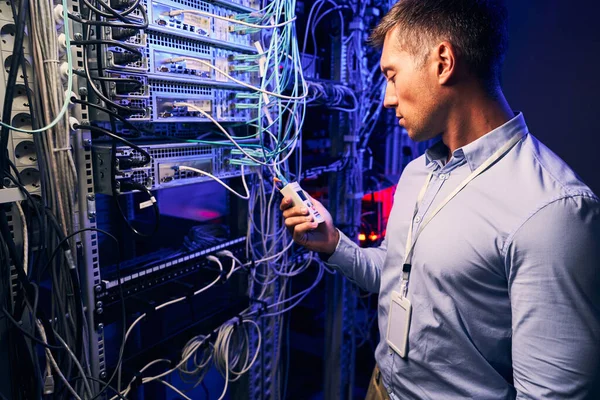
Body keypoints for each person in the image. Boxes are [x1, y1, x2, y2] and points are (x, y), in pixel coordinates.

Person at [280, 0, 600, 399]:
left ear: (443, 62)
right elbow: (403, 277)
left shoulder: (552, 211)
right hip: (382, 387)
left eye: (392, 76)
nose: (386, 99)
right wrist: (334, 244)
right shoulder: (418, 173)